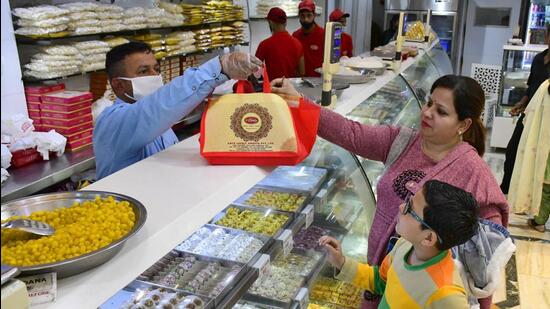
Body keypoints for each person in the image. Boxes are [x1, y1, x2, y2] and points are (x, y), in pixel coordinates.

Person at [271, 74, 509, 308]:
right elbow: (350, 133)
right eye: (428, 103)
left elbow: (486, 255)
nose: (427, 113)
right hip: (387, 272)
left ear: (464, 125)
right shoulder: (403, 141)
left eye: (441, 111)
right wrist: (298, 101)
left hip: (426, 288)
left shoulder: (473, 171)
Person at [93, 42, 261, 179]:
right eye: (144, 71)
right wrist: (219, 68)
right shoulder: (113, 122)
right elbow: (156, 108)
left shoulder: (161, 119)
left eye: (156, 70)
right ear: (118, 85)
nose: (155, 76)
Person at [319, 180, 479, 308]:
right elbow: (380, 281)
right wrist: (341, 262)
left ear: (429, 238)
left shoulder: (447, 294)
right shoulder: (404, 245)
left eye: (410, 208)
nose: (401, 206)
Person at [501, 24, 550, 193]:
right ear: (547, 38)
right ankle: (506, 188)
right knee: (512, 150)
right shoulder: (538, 59)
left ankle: (526, 194)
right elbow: (531, 87)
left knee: (534, 159)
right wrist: (521, 103)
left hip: (545, 120)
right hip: (529, 114)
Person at [506, 80, 549, 232]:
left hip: (544, 144)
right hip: (545, 144)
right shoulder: (545, 85)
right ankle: (539, 220)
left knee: (545, 185)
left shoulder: (546, 86)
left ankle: (539, 220)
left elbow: (532, 115)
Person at [255, 7, 305, 80]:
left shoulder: (265, 44)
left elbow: (255, 71)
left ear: (270, 22)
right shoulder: (297, 44)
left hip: (273, 89)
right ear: (285, 23)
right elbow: (302, 73)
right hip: (292, 89)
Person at [293, 0, 325, 77]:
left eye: (309, 15)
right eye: (302, 16)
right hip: (300, 81)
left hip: (319, 81)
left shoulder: (324, 34)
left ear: (314, 15)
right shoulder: (295, 36)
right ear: (299, 16)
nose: (306, 19)